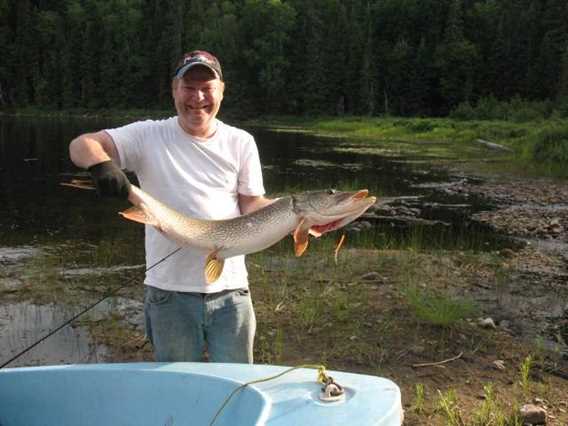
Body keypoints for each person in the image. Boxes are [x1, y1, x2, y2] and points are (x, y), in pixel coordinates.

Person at [69, 50, 272, 363]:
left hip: (232, 293)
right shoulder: (149, 135)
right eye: (189, 87)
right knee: (178, 385)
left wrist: (293, 216)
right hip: (169, 294)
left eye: (207, 87)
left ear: (222, 90)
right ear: (174, 90)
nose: (198, 97)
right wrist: (101, 166)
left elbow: (252, 205)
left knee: (236, 386)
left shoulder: (241, 141)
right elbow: (82, 144)